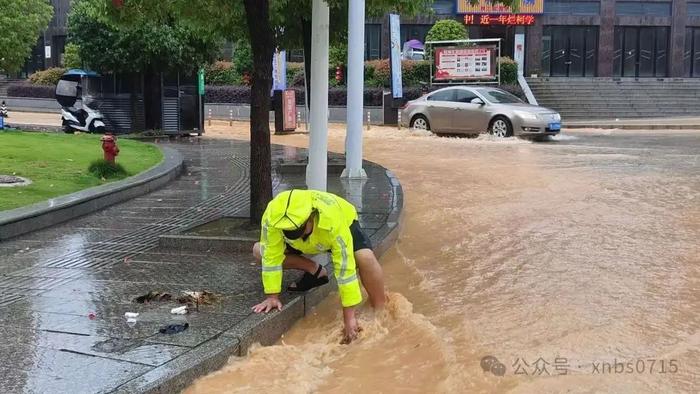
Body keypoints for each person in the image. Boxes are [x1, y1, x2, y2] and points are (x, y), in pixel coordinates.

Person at [252, 189, 386, 343]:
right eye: (287, 230)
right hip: (305, 241)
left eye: (298, 230)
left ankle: (380, 307)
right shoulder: (273, 216)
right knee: (259, 251)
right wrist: (272, 297)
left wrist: (349, 318)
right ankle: (315, 271)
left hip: (338, 227)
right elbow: (271, 257)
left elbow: (345, 270)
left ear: (311, 217)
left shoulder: (333, 220)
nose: (294, 233)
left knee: (365, 257)